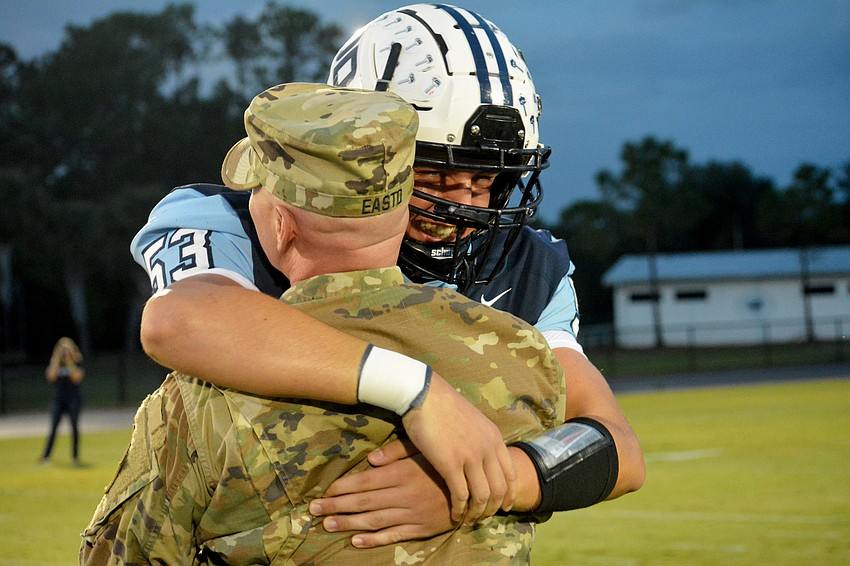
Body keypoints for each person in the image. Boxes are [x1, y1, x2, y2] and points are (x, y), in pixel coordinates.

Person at [131, 2, 645, 548]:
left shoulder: (525, 264)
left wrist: (488, 482)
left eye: (486, 180)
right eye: (435, 175)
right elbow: (178, 322)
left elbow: (617, 446)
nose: (465, 207)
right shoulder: (247, 216)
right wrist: (418, 390)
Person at [81, 82, 566, 564]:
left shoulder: (201, 400)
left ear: (279, 224)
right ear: (403, 210)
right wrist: (491, 481)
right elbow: (604, 448)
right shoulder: (518, 352)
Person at [41, 336, 84, 465]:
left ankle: (75, 457)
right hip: (59, 399)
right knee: (53, 427)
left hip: (73, 399)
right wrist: (56, 359)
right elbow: (51, 376)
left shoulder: (76, 362)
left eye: (67, 349)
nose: (65, 352)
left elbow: (77, 377)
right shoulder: (56, 364)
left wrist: (69, 362)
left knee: (74, 427)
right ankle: (46, 456)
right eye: (62, 350)